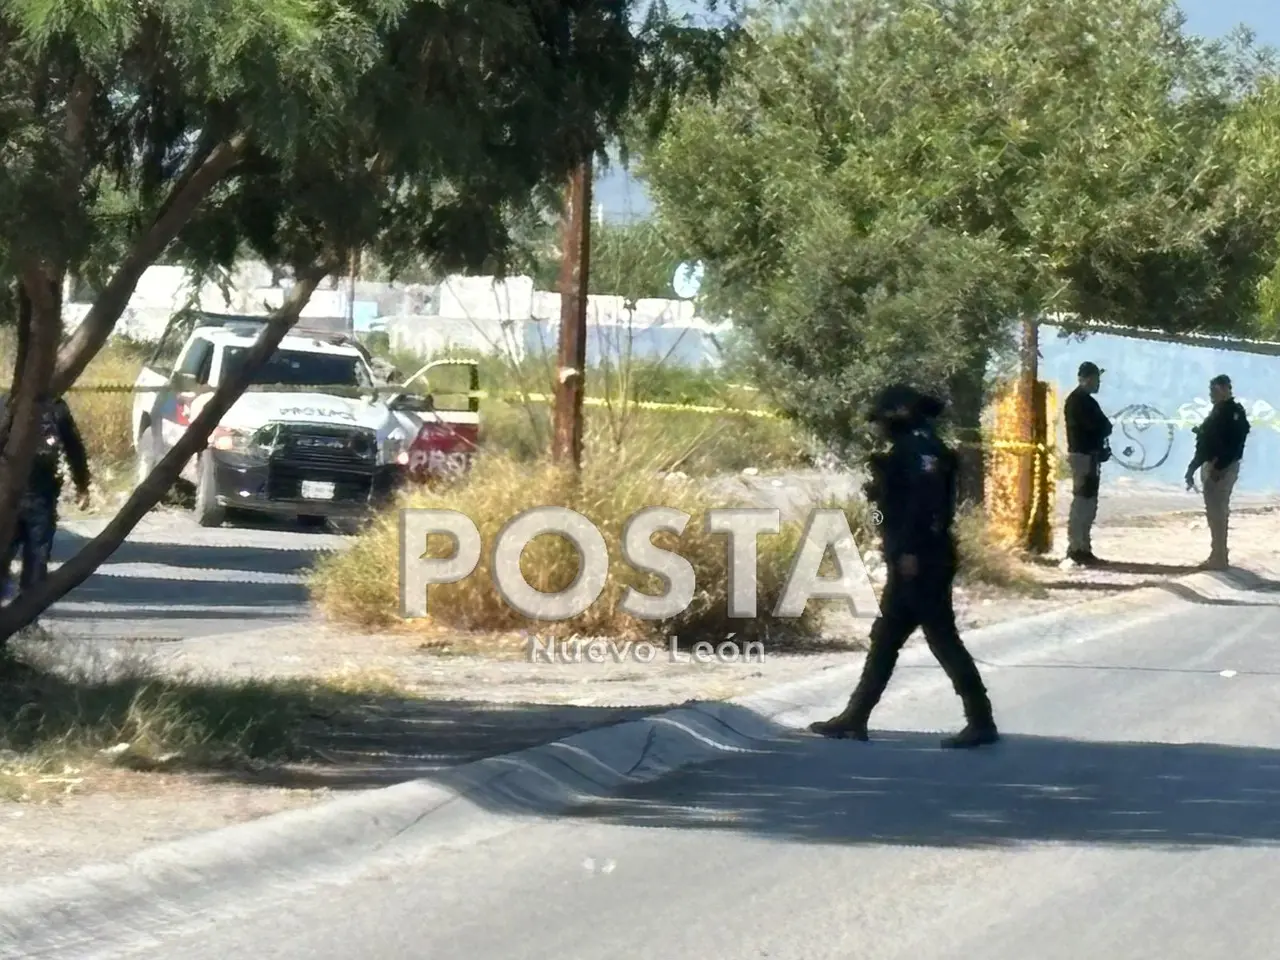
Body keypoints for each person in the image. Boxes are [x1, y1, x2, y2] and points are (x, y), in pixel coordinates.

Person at [809, 384, 998, 750]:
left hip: (921, 558)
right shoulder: (922, 448)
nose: (879, 428)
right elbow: (887, 513)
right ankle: (856, 716)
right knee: (888, 638)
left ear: (897, 415)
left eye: (882, 420)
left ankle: (980, 719)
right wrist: (880, 494)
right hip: (918, 556)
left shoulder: (918, 451)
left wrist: (910, 550)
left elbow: (926, 506)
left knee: (940, 638)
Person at [0, 394, 91, 600]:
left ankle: (26, 619)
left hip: (39, 496)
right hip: (11, 496)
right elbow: (73, 447)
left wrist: (82, 484)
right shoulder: (9, 404)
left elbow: (73, 447)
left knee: (35, 558)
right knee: (16, 555)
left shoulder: (55, 407)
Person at [1184, 374, 1249, 570]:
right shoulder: (1218, 411)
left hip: (1221, 468)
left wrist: (1219, 466)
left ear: (1225, 389)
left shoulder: (1233, 412)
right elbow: (1205, 442)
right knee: (1214, 512)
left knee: (1218, 512)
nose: (1211, 394)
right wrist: (1192, 468)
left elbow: (1236, 444)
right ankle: (1217, 553)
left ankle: (1219, 555)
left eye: (1215, 390)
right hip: (1212, 465)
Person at [1063, 361, 1112, 565]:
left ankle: (1084, 546)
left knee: (1089, 502)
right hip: (1083, 456)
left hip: (1090, 456)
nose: (1097, 383)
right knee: (1082, 501)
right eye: (1095, 379)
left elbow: (1104, 426)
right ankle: (1076, 547)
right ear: (1086, 378)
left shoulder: (1086, 401)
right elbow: (1097, 426)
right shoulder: (1077, 402)